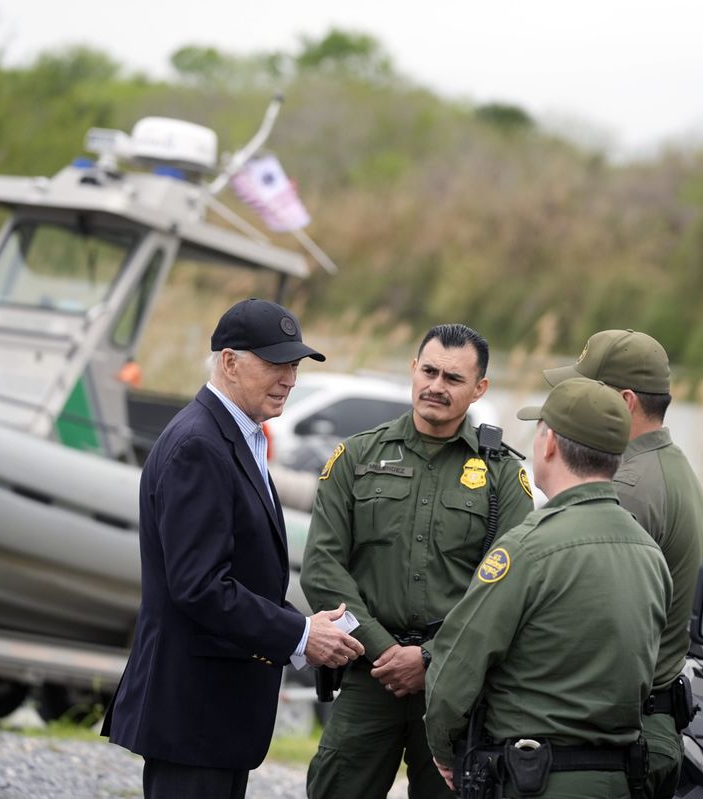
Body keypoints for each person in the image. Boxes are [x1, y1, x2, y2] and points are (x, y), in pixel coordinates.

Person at [102, 299, 365, 799]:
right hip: (194, 712)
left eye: (294, 365)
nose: (289, 378)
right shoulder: (200, 445)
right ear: (229, 361)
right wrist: (299, 633)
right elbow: (199, 586)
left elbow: (241, 575)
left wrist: (310, 630)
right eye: (275, 363)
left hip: (212, 714)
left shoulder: (234, 437)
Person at [302, 323, 535, 799]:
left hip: (455, 687)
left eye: (453, 378)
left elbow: (508, 592)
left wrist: (429, 658)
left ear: (479, 389)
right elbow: (322, 567)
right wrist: (385, 650)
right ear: (413, 370)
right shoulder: (356, 456)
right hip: (371, 676)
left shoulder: (503, 476)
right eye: (428, 371)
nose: (435, 386)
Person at [425, 377, 672, 799]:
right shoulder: (649, 553)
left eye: (538, 430)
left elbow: (456, 667)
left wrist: (445, 750)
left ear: (551, 443)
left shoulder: (528, 548)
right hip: (618, 781)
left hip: (534, 778)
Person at [544, 329, 703, 797]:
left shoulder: (627, 488)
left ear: (626, 400)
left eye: (586, 390)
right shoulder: (670, 466)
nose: (572, 401)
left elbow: (583, 624)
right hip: (647, 716)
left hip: (618, 733)